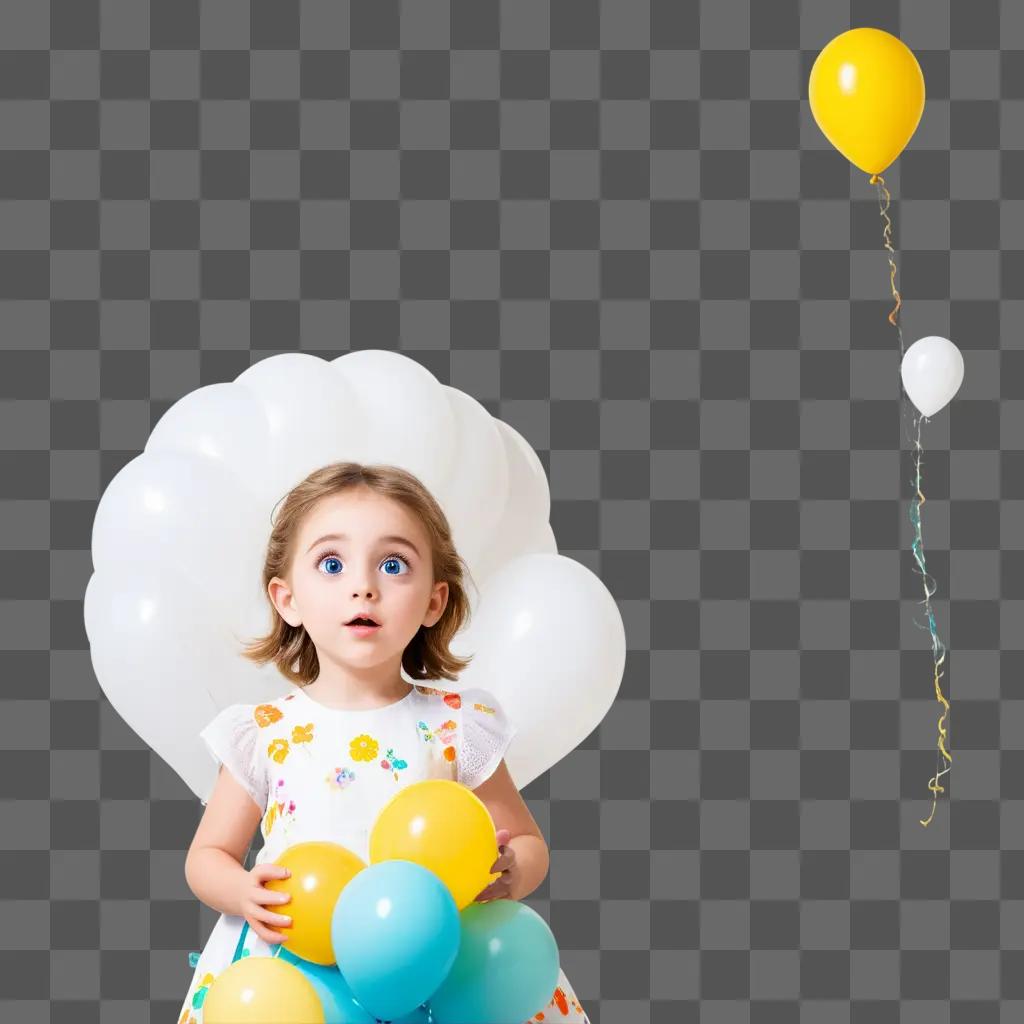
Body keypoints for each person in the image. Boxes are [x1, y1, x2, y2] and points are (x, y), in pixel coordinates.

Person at [177, 462, 591, 1023]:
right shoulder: (265, 731)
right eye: (331, 563)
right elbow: (208, 856)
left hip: (443, 973)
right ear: (286, 598)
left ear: (433, 602)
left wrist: (514, 866)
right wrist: (243, 893)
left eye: (393, 565)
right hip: (299, 978)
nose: (363, 585)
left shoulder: (457, 724)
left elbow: (526, 839)